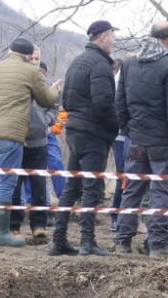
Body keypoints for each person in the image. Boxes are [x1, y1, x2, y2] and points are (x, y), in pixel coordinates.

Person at [0, 37, 60, 247]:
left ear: (9, 51)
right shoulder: (30, 72)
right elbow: (47, 100)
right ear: (29, 56)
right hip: (11, 135)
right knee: (6, 183)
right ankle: (1, 233)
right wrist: (56, 91)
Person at [113, 20, 168, 259]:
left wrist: (129, 130)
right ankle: (156, 245)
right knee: (161, 192)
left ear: (149, 36)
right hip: (163, 141)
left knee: (132, 190)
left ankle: (122, 241)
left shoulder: (129, 63)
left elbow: (120, 102)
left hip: (136, 138)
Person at [49, 20, 119, 257]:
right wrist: (115, 126)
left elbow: (65, 101)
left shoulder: (77, 62)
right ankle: (87, 241)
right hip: (94, 133)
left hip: (75, 130)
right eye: (111, 35)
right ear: (102, 37)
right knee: (91, 187)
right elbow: (103, 104)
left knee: (72, 185)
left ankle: (58, 239)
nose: (113, 40)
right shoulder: (100, 64)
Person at [9, 49, 55, 243]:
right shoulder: (14, 81)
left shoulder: (44, 82)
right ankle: (14, 226)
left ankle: (39, 226)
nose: (34, 62)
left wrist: (48, 120)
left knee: (38, 186)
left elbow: (54, 105)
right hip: (17, 139)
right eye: (32, 58)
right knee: (14, 185)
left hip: (39, 141)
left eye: (37, 59)